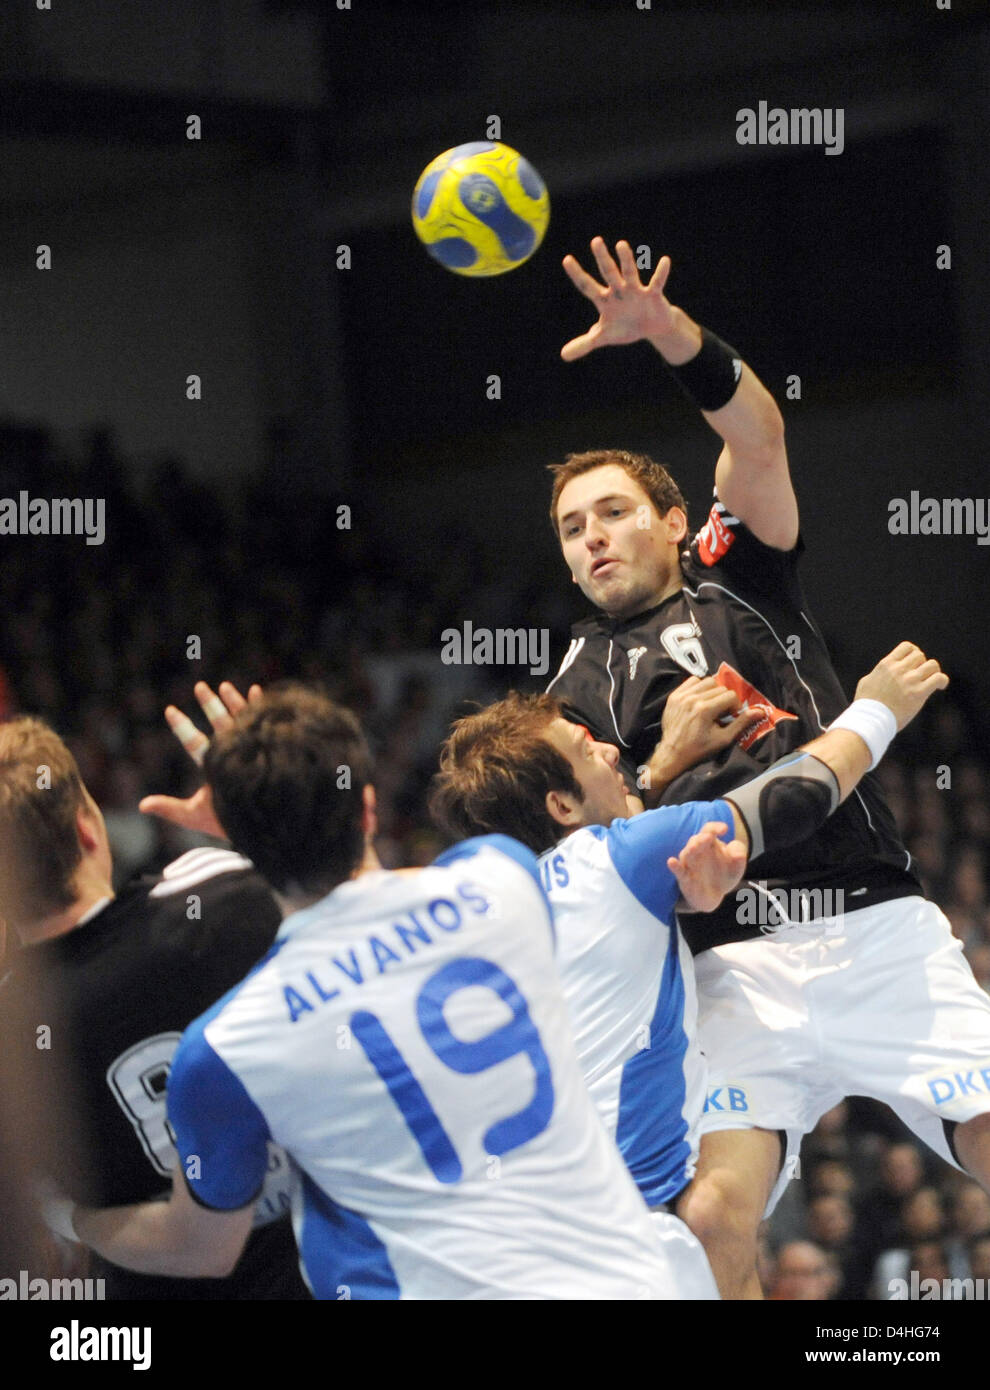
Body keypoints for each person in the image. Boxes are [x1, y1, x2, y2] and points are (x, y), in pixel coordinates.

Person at [542, 236, 990, 1298]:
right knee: (706, 1223)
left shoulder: (737, 572)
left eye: (611, 512)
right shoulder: (566, 692)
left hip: (876, 926)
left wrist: (668, 334)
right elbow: (585, 854)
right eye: (570, 528)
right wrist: (668, 758)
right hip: (730, 967)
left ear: (674, 519)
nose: (592, 539)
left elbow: (759, 431)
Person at [60, 686, 702, 1300]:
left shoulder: (225, 1047)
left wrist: (72, 1217)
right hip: (627, 1274)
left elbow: (197, 1247)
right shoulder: (499, 877)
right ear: (367, 807)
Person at [429, 642, 941, 1298]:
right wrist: (877, 710)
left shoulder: (480, 910)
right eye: (589, 753)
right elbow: (793, 795)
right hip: (618, 1250)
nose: (612, 751)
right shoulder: (621, 859)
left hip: (493, 1250)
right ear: (560, 807)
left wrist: (662, 771)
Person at [0, 703, 310, 1299]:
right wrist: (261, 815)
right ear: (90, 827)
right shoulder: (227, 891)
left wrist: (74, 1218)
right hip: (317, 1273)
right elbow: (339, 893)